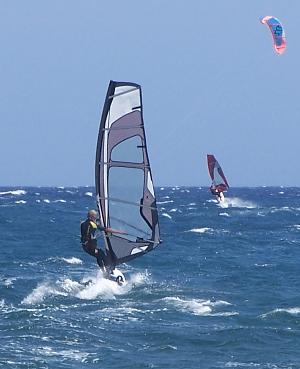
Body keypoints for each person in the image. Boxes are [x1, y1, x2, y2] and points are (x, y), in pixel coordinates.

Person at [80, 209, 124, 275]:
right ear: (92, 216)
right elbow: (106, 229)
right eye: (96, 216)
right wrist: (120, 232)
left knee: (99, 256)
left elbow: (89, 227)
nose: (97, 217)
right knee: (103, 256)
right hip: (90, 246)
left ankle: (104, 272)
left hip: (84, 246)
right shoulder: (93, 224)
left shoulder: (83, 223)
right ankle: (108, 271)